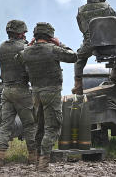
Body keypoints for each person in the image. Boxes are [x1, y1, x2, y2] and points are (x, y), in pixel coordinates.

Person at [17, 22, 77, 171]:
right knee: (53, 126)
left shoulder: (27, 51)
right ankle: (44, 163)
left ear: (35, 36)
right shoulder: (53, 49)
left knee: (40, 127)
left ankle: (38, 160)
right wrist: (60, 43)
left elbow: (18, 58)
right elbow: (74, 56)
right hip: (52, 92)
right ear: (50, 36)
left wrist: (29, 45)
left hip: (36, 93)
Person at [0, 19, 37, 166]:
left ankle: (0, 157)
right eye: (24, 32)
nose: (25, 34)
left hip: (6, 90)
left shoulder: (2, 47)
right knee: (30, 124)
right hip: (21, 90)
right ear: (20, 33)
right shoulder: (24, 47)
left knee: (5, 125)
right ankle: (33, 156)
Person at [72, 0, 116, 94]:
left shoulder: (81, 10)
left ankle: (78, 85)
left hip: (90, 43)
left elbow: (82, 28)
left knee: (79, 58)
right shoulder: (107, 7)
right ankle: (115, 74)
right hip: (109, 42)